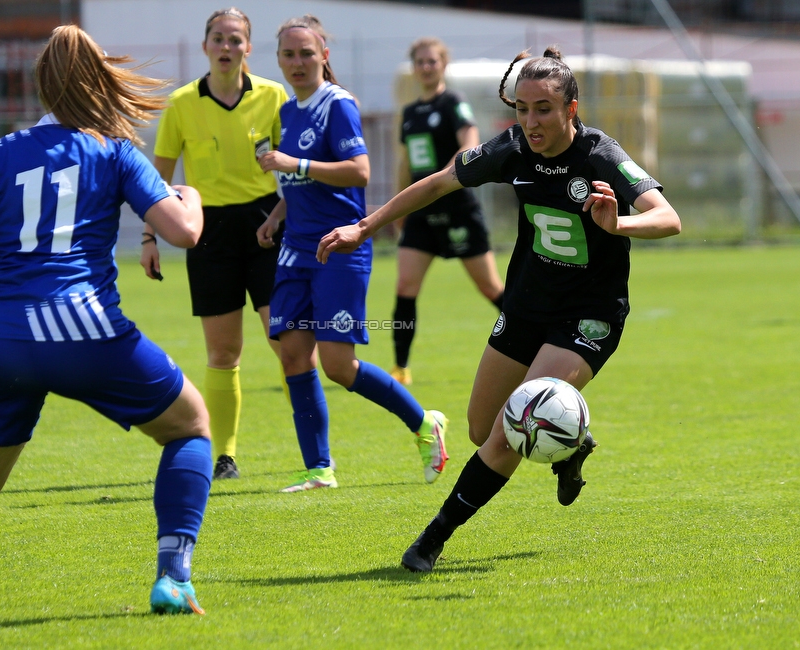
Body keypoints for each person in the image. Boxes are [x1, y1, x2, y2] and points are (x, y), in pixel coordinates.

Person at [0, 25, 212, 619]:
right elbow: (183, 233)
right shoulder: (113, 151)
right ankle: (173, 578)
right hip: (83, 330)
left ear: (41, 84)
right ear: (98, 81)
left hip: (3, 339)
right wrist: (193, 199)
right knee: (189, 428)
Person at [318, 46, 681, 570]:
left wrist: (618, 224)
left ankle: (432, 539)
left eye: (543, 109)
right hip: (528, 307)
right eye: (522, 109)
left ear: (570, 110)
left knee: (516, 425)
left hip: (588, 316)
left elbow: (668, 217)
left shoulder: (600, 155)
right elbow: (440, 181)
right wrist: (364, 226)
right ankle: (571, 442)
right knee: (480, 427)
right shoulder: (511, 148)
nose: (530, 121)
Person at [256, 15, 449, 492]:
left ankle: (424, 424)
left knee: (338, 366)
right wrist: (277, 214)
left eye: (306, 53)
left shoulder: (336, 105)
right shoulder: (286, 112)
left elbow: (359, 171)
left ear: (324, 55)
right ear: (278, 59)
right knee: (293, 357)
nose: (297, 62)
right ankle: (319, 468)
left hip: (339, 248)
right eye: (288, 54)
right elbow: (301, 180)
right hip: (295, 248)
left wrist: (293, 162)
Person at [140, 7, 290, 481]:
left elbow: (295, 167)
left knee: (285, 342)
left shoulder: (273, 95)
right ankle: (223, 455)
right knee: (223, 354)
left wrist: (286, 216)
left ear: (248, 47)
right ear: (206, 46)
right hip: (207, 232)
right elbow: (157, 178)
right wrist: (150, 235)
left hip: (267, 226)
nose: (227, 48)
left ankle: (314, 448)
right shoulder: (182, 103)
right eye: (219, 39)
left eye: (236, 40)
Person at [390, 37, 504, 386]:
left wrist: (460, 166)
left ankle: (535, 337)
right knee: (406, 285)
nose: (426, 67)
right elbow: (406, 163)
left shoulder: (453, 101)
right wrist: (400, 207)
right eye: (420, 62)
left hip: (457, 209)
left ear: (443, 65)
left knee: (490, 288)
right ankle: (401, 368)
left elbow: (470, 138)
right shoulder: (409, 114)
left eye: (432, 61)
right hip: (422, 213)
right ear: (414, 68)